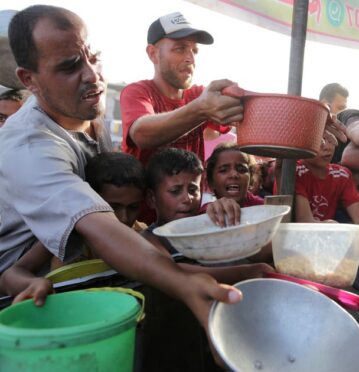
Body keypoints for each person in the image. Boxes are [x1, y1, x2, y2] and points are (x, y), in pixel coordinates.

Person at [0, 5, 241, 328]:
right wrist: (183, 284)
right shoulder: (29, 146)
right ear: (29, 79)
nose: (92, 74)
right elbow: (99, 225)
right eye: (70, 66)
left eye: (94, 56)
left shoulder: (83, 112)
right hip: (24, 299)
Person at [119, 11, 243, 168]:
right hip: (146, 193)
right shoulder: (137, 91)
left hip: (191, 193)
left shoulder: (199, 95)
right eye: (180, 48)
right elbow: (141, 134)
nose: (190, 58)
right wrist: (201, 109)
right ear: (153, 54)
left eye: (194, 50)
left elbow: (247, 118)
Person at [141, 147, 272, 279]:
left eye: (193, 190)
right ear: (152, 199)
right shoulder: (149, 239)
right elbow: (171, 270)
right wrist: (245, 272)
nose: (187, 199)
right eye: (175, 191)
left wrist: (232, 221)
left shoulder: (211, 225)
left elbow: (262, 252)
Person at [294, 132, 359, 224]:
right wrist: (332, 226)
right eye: (319, 140)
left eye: (330, 139)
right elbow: (304, 221)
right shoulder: (297, 172)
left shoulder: (341, 175)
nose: (327, 147)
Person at [204, 143, 264, 210]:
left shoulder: (264, 209)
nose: (234, 175)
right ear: (211, 181)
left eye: (241, 169)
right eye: (224, 170)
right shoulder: (204, 213)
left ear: (251, 179)